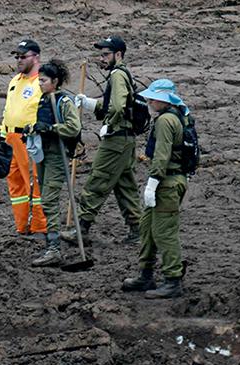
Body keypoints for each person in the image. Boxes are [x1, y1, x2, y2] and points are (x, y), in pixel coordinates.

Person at [66, 35, 142, 246]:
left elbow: (117, 107)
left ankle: (81, 229)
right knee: (125, 185)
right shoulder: (123, 74)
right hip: (126, 140)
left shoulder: (117, 74)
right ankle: (138, 230)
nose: (102, 58)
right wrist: (90, 104)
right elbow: (114, 104)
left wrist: (110, 123)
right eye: (101, 54)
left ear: (118, 55)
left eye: (106, 54)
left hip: (115, 139)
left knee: (98, 180)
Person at [122, 79, 190, 298]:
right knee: (148, 228)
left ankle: (173, 280)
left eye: (154, 97)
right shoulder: (176, 116)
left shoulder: (165, 121)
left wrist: (152, 183)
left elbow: (162, 156)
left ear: (164, 100)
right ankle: (146, 275)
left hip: (167, 182)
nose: (149, 101)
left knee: (164, 232)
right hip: (168, 180)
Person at [28, 60, 81, 267]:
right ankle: (52, 245)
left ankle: (54, 249)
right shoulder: (43, 99)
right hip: (44, 153)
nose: (40, 83)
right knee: (44, 197)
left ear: (55, 81)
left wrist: (51, 129)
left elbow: (74, 128)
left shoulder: (64, 101)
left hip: (57, 155)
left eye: (43, 80)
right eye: (39, 80)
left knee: (49, 199)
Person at [1, 39, 46, 237]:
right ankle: (22, 225)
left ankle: (39, 226)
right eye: (17, 56)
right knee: (15, 183)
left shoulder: (42, 82)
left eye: (23, 56)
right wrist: (2, 138)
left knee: (34, 183)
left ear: (36, 57)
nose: (19, 60)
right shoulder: (14, 81)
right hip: (10, 138)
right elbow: (8, 110)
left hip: (29, 138)